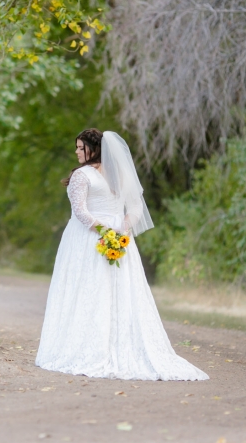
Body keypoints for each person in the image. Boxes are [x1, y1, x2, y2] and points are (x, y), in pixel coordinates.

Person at [35, 129, 208, 381]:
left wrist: (111, 233)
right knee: (105, 290)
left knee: (91, 290)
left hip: (88, 240)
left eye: (80, 147)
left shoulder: (82, 176)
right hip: (114, 237)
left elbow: (82, 213)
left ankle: (92, 347)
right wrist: (120, 230)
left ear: (93, 149)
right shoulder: (121, 175)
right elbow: (134, 209)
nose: (77, 152)